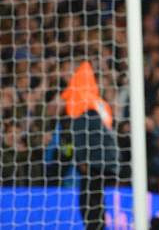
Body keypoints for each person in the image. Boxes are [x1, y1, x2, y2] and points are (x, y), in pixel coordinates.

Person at [59, 61, 118, 230]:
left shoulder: (82, 101)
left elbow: (81, 132)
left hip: (94, 161)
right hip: (107, 160)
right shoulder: (99, 102)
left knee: (88, 201)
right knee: (97, 200)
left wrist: (82, 159)